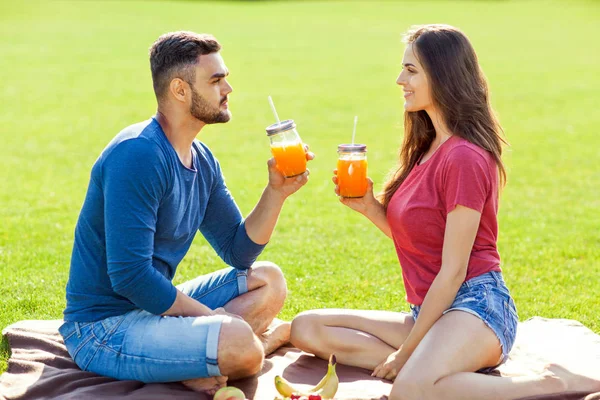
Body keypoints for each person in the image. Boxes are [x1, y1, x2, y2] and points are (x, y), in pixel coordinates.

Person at [290, 24, 600, 399]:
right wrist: (370, 208)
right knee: (306, 328)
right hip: (432, 313)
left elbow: (453, 271)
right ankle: (433, 365)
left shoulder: (465, 157)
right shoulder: (428, 148)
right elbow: (424, 242)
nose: (399, 79)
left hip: (477, 307)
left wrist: (406, 353)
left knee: (410, 390)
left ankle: (553, 382)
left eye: (411, 70)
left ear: (443, 76)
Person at [59, 31, 314, 395]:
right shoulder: (138, 155)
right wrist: (211, 319)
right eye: (216, 80)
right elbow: (130, 277)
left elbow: (238, 251)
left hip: (152, 308)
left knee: (268, 280)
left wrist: (276, 193)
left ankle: (207, 355)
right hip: (104, 328)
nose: (228, 89)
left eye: (225, 77)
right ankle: (235, 349)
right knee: (238, 342)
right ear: (180, 90)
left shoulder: (202, 158)